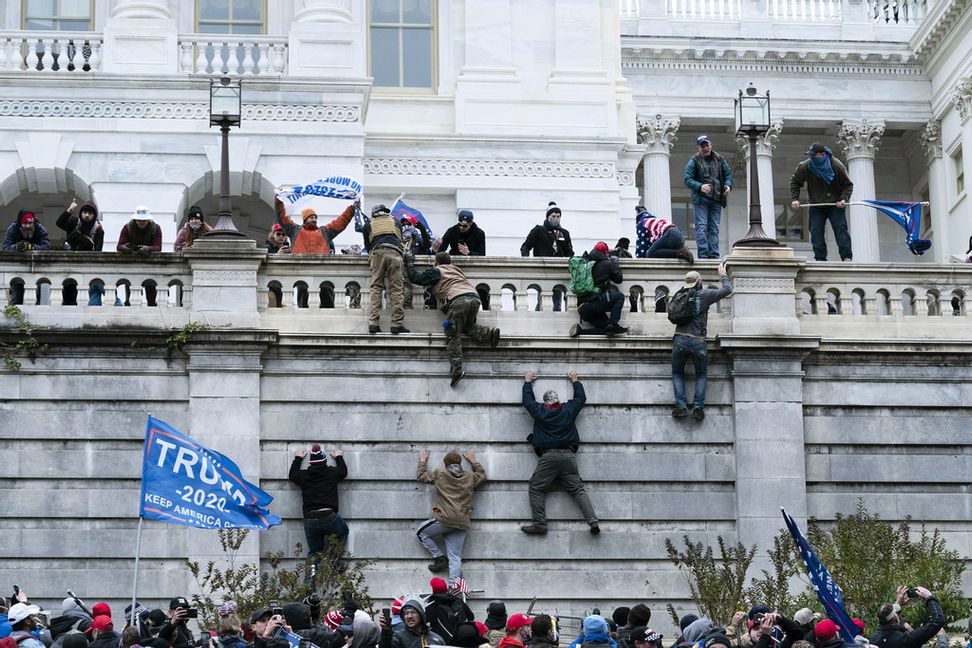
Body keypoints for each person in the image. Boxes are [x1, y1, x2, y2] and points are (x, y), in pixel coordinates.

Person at [520, 370, 599, 535]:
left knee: (536, 487)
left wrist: (527, 383)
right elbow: (580, 399)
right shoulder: (568, 410)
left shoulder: (540, 411)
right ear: (558, 401)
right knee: (578, 489)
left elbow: (528, 402)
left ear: (546, 402)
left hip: (549, 456)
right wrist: (575, 381)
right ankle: (592, 521)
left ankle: (540, 524)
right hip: (569, 456)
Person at [405, 251, 500, 386]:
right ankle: (490, 335)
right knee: (466, 326)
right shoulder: (457, 270)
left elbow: (416, 278)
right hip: (474, 298)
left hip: (458, 300)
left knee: (452, 333)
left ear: (436, 262)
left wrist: (409, 263)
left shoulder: (437, 271)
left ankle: (456, 370)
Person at [671, 263, 732, 421]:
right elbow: (727, 290)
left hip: (679, 338)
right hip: (698, 340)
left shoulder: (680, 295)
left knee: (677, 373)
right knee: (701, 374)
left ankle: (681, 407)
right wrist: (723, 274)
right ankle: (698, 408)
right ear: (699, 282)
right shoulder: (704, 294)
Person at [416, 450, 488, 582]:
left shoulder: (440, 473)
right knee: (455, 557)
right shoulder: (470, 477)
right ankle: (454, 590)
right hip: (461, 523)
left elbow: (421, 476)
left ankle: (439, 557)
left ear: (446, 464)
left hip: (444, 519)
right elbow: (482, 476)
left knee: (421, 532)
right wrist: (473, 461)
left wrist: (422, 461)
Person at [289, 444, 349, 580]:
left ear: (311, 462)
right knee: (343, 531)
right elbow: (343, 472)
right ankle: (334, 559)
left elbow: (292, 475)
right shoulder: (331, 473)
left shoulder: (304, 476)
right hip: (328, 516)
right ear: (324, 461)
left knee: (314, 553)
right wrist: (339, 456)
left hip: (310, 519)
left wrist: (298, 458)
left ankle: (309, 585)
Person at [789, 142, 854, 262]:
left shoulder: (836, 165)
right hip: (816, 205)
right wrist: (795, 199)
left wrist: (844, 199)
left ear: (823, 154)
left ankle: (846, 257)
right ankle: (820, 259)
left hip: (835, 205)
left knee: (840, 229)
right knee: (815, 231)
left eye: (815, 156)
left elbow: (847, 185)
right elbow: (795, 182)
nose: (812, 158)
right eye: (810, 156)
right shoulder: (806, 166)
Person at [683, 135, 732, 259]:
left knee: (714, 228)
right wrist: (700, 186)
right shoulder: (694, 160)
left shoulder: (720, 159)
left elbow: (728, 174)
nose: (706, 148)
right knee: (702, 227)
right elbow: (687, 179)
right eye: (703, 146)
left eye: (707, 145)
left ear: (711, 145)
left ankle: (714, 256)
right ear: (698, 148)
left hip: (716, 199)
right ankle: (703, 256)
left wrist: (728, 185)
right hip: (701, 200)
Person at [363, 204, 408, 334]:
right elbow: (399, 240)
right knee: (397, 289)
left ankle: (373, 323)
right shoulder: (395, 221)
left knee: (376, 287)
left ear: (374, 213)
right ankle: (396, 324)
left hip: (377, 253)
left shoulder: (369, 223)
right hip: (395, 253)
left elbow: (368, 246)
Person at [521, 202, 573, 312]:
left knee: (557, 300)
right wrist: (526, 260)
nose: (556, 219)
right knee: (544, 298)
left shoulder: (562, 233)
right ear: (548, 217)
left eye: (558, 217)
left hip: (558, 270)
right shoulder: (539, 230)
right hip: (542, 268)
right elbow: (526, 246)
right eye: (553, 216)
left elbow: (568, 251)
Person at [570, 242, 627, 337]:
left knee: (607, 329)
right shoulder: (607, 264)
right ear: (605, 253)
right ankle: (613, 323)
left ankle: (580, 331)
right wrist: (615, 263)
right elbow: (619, 279)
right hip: (595, 303)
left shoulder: (586, 264)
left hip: (583, 308)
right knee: (619, 297)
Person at [273, 192, 356, 254]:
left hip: (320, 270)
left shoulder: (325, 231)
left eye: (316, 218)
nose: (314, 220)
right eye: (311, 217)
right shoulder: (295, 230)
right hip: (299, 269)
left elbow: (341, 222)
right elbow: (282, 218)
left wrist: (352, 209)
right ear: (305, 219)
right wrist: (279, 201)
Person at [870, 586, 944, 648]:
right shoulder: (906, 640)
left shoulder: (873, 640)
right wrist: (929, 597)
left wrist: (898, 603)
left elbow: (884, 621)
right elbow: (937, 621)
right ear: (895, 619)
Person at [424, 578, 474, 644]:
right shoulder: (459, 602)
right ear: (446, 589)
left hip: (441, 643)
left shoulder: (432, 607)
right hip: (459, 642)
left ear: (433, 591)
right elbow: (471, 617)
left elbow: (421, 624)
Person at [378, 598, 445, 648]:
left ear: (421, 615)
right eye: (406, 613)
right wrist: (386, 632)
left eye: (413, 612)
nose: (409, 616)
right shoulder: (398, 637)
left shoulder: (437, 639)